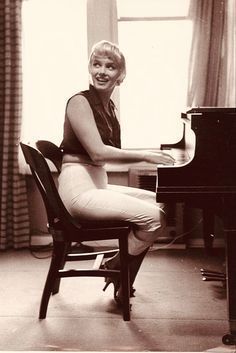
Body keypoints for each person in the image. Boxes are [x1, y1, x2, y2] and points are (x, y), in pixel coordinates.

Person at [58, 40, 175, 306]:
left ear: (120, 76)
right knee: (155, 220)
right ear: (89, 67)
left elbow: (107, 157)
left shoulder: (109, 108)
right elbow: (99, 154)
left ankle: (121, 273)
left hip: (96, 184)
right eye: (96, 64)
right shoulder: (79, 102)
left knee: (158, 204)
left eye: (110, 67)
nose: (102, 71)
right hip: (78, 190)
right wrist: (145, 154)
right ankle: (118, 266)